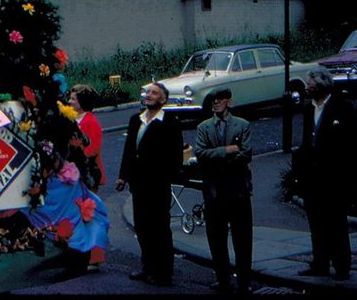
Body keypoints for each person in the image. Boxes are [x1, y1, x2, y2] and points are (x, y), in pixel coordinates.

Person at [296, 70, 357, 281]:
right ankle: (320, 264)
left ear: (322, 85)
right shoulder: (308, 109)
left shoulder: (341, 107)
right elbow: (307, 141)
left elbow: (355, 140)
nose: (307, 87)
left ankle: (342, 267)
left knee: (336, 224)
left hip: (335, 179)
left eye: (310, 83)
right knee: (316, 223)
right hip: (313, 179)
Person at [116, 82, 182, 287]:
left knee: (159, 229)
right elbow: (129, 150)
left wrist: (166, 176)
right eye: (148, 92)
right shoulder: (136, 120)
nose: (149, 95)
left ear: (163, 99)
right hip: (138, 183)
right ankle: (148, 267)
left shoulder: (169, 121)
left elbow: (175, 154)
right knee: (142, 227)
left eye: (154, 93)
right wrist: (123, 176)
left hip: (158, 184)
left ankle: (163, 273)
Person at [193, 88, 253, 294]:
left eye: (219, 100)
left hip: (238, 189)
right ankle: (223, 279)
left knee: (242, 237)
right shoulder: (203, 127)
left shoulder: (242, 125)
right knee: (216, 238)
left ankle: (244, 280)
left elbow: (245, 154)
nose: (215, 103)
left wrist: (215, 157)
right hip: (214, 190)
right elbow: (200, 153)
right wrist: (227, 150)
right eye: (212, 101)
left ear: (229, 102)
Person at [68, 84, 106, 193]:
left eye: (73, 99)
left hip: (87, 173)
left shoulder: (90, 121)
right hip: (74, 172)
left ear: (82, 102)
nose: (69, 101)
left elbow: (92, 149)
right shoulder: (72, 118)